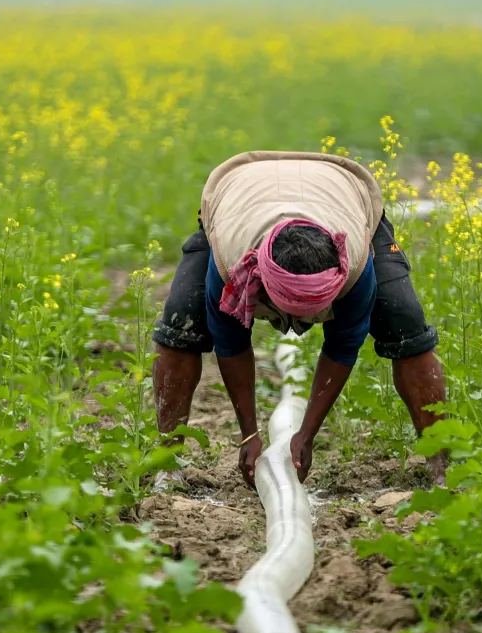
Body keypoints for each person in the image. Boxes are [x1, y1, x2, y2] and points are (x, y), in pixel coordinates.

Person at [152, 150, 446, 488]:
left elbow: (343, 346)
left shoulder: (354, 262)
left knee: (405, 323)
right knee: (180, 324)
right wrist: (249, 435)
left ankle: (442, 466)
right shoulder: (231, 265)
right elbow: (230, 343)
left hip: (343, 192)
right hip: (238, 195)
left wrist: (306, 435)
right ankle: (167, 463)